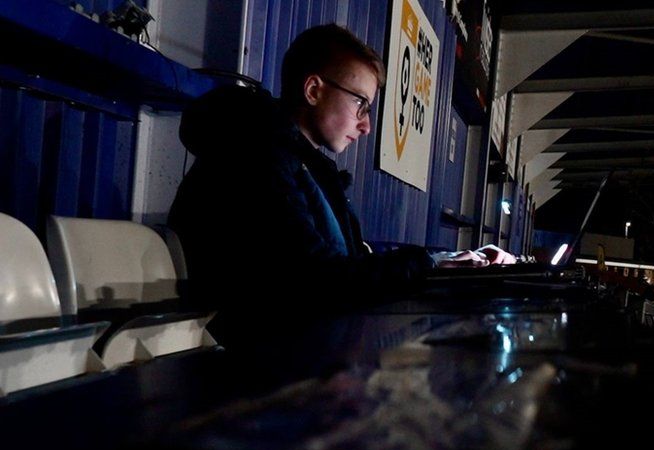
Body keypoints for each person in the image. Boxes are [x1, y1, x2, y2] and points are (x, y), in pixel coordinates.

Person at [168, 25, 513, 339]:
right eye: (361, 104)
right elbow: (318, 282)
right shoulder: (253, 158)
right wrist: (427, 265)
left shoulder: (302, 163)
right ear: (314, 90)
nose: (365, 126)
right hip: (256, 367)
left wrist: (442, 262)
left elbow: (346, 262)